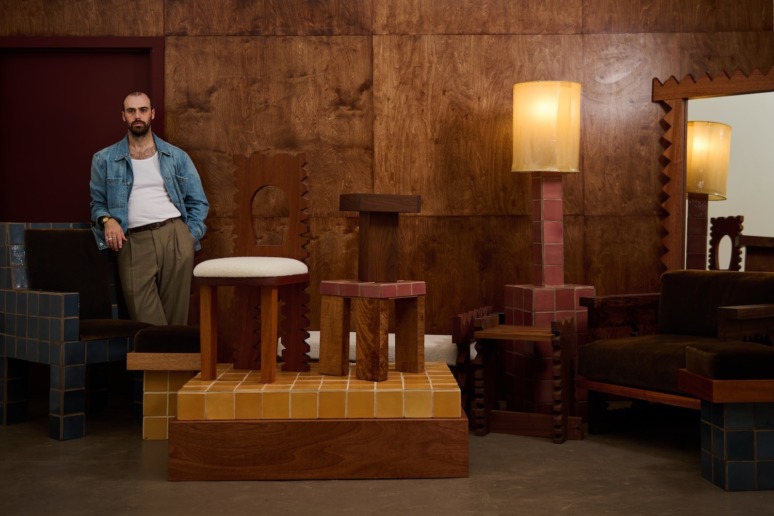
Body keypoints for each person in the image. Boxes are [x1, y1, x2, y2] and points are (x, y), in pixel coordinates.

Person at [90, 91, 209, 325]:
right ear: (123, 116)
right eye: (131, 111)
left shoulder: (177, 157)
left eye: (143, 110)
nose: (137, 116)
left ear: (152, 114)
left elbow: (198, 202)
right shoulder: (103, 159)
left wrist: (188, 237)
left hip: (174, 235)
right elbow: (97, 204)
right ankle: (158, 361)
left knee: (176, 321)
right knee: (146, 321)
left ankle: (174, 362)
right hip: (132, 241)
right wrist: (107, 220)